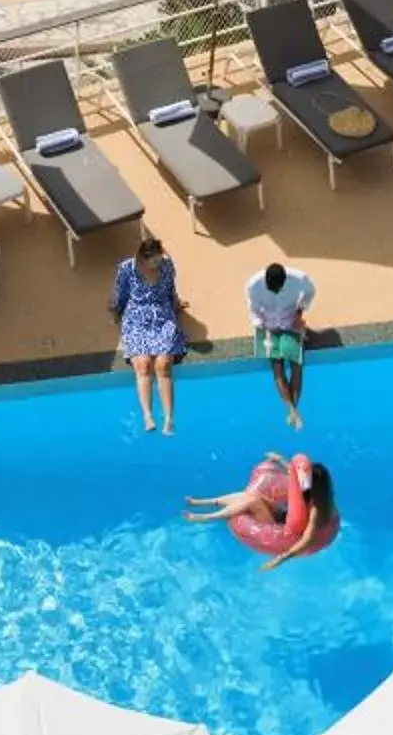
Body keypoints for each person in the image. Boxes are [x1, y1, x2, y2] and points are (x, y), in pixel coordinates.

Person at [187, 458, 339, 573]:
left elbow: (307, 540)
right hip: (285, 518)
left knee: (252, 501)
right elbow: (295, 477)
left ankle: (206, 517)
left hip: (287, 533)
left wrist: (280, 559)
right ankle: (202, 503)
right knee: (255, 497)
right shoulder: (322, 496)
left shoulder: (315, 511)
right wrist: (280, 461)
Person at [109, 232, 188, 434]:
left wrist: (177, 305)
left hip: (162, 316)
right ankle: (148, 415)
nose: (156, 263)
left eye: (158, 258)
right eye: (152, 259)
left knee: (163, 364)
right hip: (137, 318)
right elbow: (120, 295)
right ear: (142, 259)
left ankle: (169, 418)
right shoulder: (127, 269)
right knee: (143, 365)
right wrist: (116, 312)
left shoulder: (167, 266)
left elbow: (171, 290)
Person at [246, 259, 317, 428]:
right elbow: (253, 309)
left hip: (289, 321)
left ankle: (293, 410)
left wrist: (299, 313)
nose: (276, 292)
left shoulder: (300, 278)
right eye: (273, 290)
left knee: (296, 365)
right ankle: (292, 411)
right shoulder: (253, 285)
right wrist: (263, 327)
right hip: (268, 324)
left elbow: (311, 292)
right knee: (277, 367)